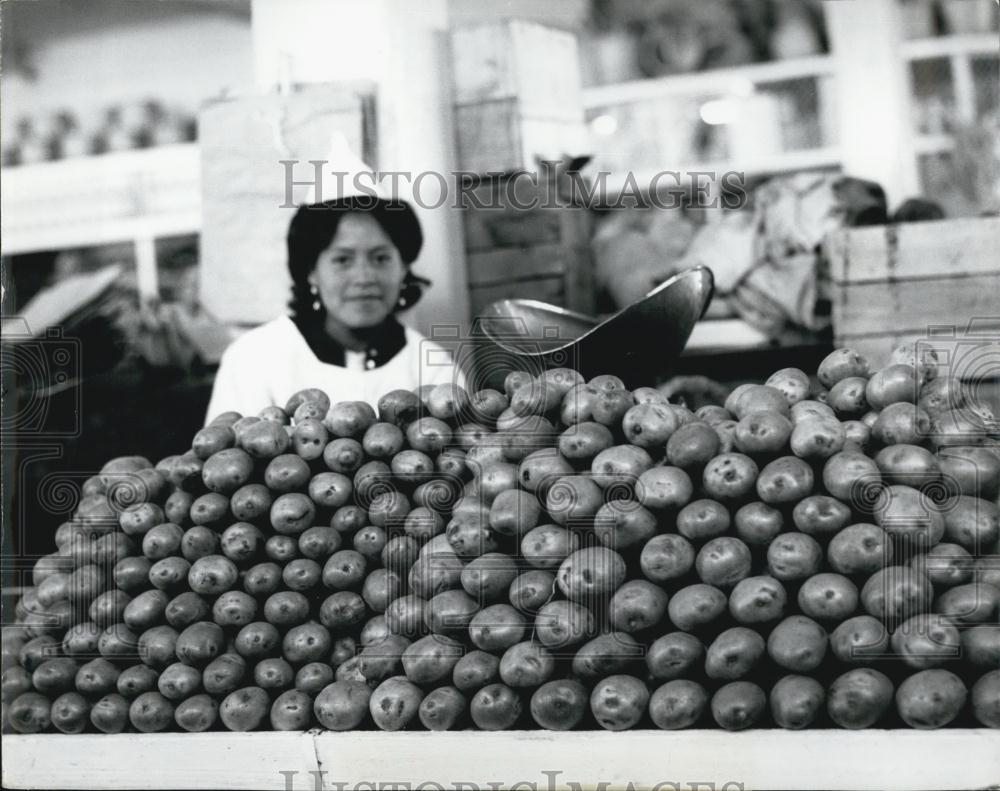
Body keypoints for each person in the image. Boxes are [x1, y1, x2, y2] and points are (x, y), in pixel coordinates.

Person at [205, 144, 462, 422]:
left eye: (380, 258)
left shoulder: (432, 366)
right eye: (342, 260)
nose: (364, 277)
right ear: (311, 271)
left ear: (404, 268)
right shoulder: (255, 359)